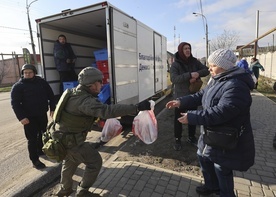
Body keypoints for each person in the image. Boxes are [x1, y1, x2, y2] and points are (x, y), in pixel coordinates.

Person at [166, 49, 255, 197]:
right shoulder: (217, 78)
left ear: (224, 66)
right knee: (203, 156)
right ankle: (211, 186)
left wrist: (192, 117)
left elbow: (221, 113)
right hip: (210, 133)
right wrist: (180, 101)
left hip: (225, 137)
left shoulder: (236, 85)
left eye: (212, 65)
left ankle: (226, 194)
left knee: (221, 168)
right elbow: (202, 95)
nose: (209, 69)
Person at [53, 67, 151, 197]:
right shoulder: (85, 101)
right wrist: (136, 108)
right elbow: (107, 111)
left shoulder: (72, 93)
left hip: (61, 138)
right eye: (100, 82)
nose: (102, 84)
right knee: (95, 162)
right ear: (92, 85)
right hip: (72, 141)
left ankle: (64, 189)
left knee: (70, 162)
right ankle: (82, 192)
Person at [11, 64, 56, 169]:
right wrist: (21, 117)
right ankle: (34, 160)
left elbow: (51, 95)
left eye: (30, 72)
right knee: (32, 139)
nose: (27, 74)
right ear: (22, 74)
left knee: (43, 133)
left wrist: (52, 108)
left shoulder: (41, 82)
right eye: (25, 73)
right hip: (28, 118)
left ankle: (40, 150)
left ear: (34, 73)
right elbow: (15, 104)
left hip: (41, 114)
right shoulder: (18, 86)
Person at [170, 42, 209, 150]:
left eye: (189, 48)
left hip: (193, 95)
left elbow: (206, 70)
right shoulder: (175, 64)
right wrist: (189, 75)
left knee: (192, 117)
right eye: (185, 49)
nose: (187, 50)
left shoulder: (194, 61)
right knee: (178, 119)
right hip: (180, 97)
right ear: (180, 50)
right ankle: (177, 139)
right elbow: (174, 79)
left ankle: (191, 137)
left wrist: (197, 74)